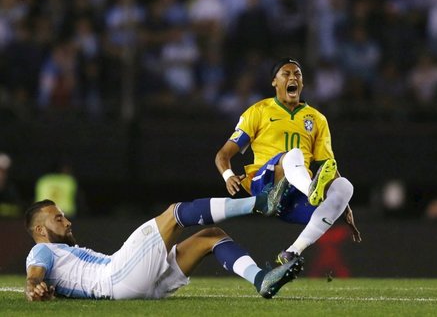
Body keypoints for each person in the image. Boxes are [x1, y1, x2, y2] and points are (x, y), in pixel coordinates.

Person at [215, 57, 361, 264]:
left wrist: (344, 205)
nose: (293, 77)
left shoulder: (317, 119)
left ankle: (293, 251)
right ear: (274, 82)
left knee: (345, 186)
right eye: (286, 74)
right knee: (293, 155)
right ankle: (311, 190)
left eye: (297, 74)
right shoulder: (259, 111)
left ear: (302, 83)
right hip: (265, 186)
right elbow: (222, 155)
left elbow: (327, 166)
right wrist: (228, 176)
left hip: (292, 200)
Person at [25, 192, 304, 301]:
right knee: (173, 214)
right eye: (58, 218)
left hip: (140, 287)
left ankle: (261, 279)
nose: (67, 221)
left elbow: (49, 285)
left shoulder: (62, 254)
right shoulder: (42, 251)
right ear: (40, 230)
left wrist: (46, 293)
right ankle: (259, 203)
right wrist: (33, 287)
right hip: (116, 277)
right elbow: (33, 277)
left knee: (212, 236)